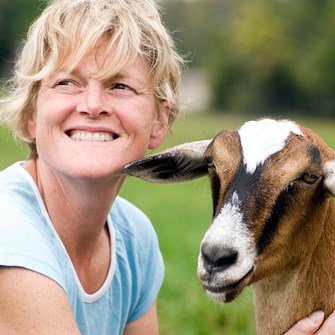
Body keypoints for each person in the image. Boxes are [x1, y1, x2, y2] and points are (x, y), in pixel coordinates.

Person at [0, 0, 334, 334]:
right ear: (30, 114)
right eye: (66, 83)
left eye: (119, 86)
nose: (92, 106)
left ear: (160, 120)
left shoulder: (133, 238)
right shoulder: (8, 230)